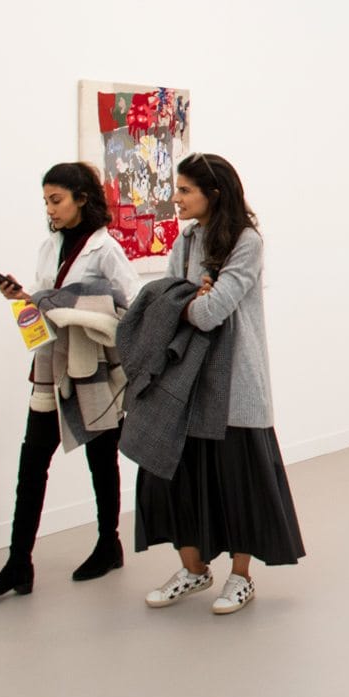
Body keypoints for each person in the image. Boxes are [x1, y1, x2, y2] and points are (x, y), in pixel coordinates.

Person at [133, 152, 304, 615]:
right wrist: (192, 296)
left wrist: (187, 301)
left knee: (238, 480)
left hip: (234, 385)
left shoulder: (246, 241)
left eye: (185, 189)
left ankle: (241, 577)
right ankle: (194, 570)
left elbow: (209, 311)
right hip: (185, 381)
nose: (177, 198)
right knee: (175, 478)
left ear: (213, 193)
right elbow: (164, 304)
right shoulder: (186, 240)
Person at [0, 162, 141, 597]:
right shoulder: (49, 248)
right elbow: (41, 317)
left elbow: (133, 308)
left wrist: (77, 312)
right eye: (46, 201)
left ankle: (109, 544)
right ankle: (18, 563)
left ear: (81, 199)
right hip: (49, 370)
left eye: (56, 199)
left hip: (93, 371)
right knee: (32, 465)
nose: (50, 209)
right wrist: (22, 302)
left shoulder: (106, 250)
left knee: (101, 461)